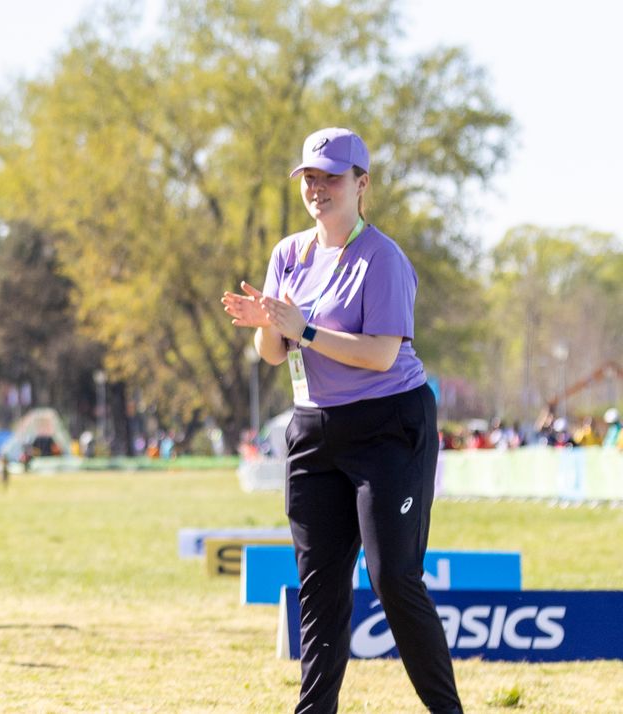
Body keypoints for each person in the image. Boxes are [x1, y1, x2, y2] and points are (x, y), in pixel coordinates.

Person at [220, 128, 460, 713]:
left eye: (331, 177)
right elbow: (273, 354)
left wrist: (300, 326)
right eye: (310, 177)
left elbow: (379, 355)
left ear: (361, 184)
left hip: (388, 428)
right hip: (314, 429)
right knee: (319, 585)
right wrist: (269, 324)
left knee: (392, 579)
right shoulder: (289, 253)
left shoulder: (383, 258)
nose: (318, 188)